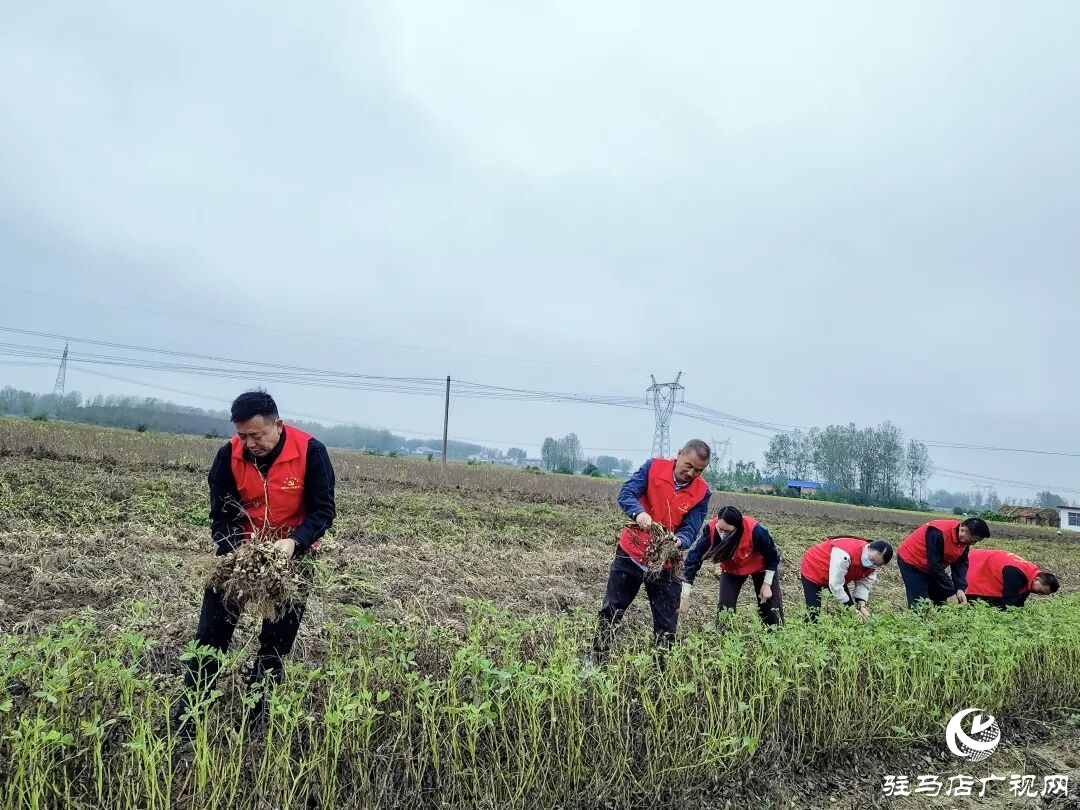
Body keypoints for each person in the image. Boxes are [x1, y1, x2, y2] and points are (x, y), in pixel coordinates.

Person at [172, 390, 336, 734]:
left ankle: (256, 721)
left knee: (276, 643)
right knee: (210, 636)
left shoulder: (310, 452)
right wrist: (239, 550)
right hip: (238, 557)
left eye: (256, 435)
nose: (249, 443)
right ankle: (189, 719)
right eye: (242, 435)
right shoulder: (227, 456)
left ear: (277, 425)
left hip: (293, 558)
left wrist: (293, 544)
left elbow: (323, 511)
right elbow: (221, 516)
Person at [589, 440, 711, 664]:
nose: (692, 473)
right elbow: (626, 494)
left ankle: (662, 675)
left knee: (667, 624)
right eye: (688, 465)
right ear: (679, 455)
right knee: (612, 610)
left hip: (666, 563)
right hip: (632, 553)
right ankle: (595, 661)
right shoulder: (653, 467)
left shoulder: (702, 492)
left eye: (699, 470)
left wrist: (679, 541)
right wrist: (639, 514)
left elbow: (692, 527)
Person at [680, 505, 784, 626]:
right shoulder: (711, 530)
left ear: (738, 528)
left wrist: (767, 584)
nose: (723, 534)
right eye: (720, 529)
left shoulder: (756, 531)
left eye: (728, 531)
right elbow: (693, 560)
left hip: (761, 568)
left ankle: (774, 634)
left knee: (770, 608)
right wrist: (684, 596)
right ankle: (723, 638)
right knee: (725, 608)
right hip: (732, 569)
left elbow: (772, 556)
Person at [896, 518, 989, 608]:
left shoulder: (964, 542)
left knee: (941, 599)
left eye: (975, 541)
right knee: (920, 603)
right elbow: (934, 565)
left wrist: (960, 588)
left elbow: (960, 564)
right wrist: (950, 592)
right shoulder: (938, 532)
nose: (973, 543)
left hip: (931, 566)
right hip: (911, 561)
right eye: (973, 540)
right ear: (963, 530)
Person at [799, 537, 894, 621]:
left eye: (876, 564)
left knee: (847, 610)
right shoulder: (845, 553)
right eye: (871, 559)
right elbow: (835, 585)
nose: (871, 564)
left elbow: (864, 583)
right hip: (814, 566)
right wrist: (852, 610)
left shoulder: (872, 566)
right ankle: (809, 635)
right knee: (814, 611)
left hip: (838, 575)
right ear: (868, 547)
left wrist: (861, 605)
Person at [964, 548, 1059, 609]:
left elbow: (1019, 602)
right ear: (1037, 579)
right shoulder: (1017, 575)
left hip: (990, 563)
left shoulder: (1032, 575)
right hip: (975, 563)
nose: (1038, 594)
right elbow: (1008, 603)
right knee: (969, 601)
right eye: (1041, 591)